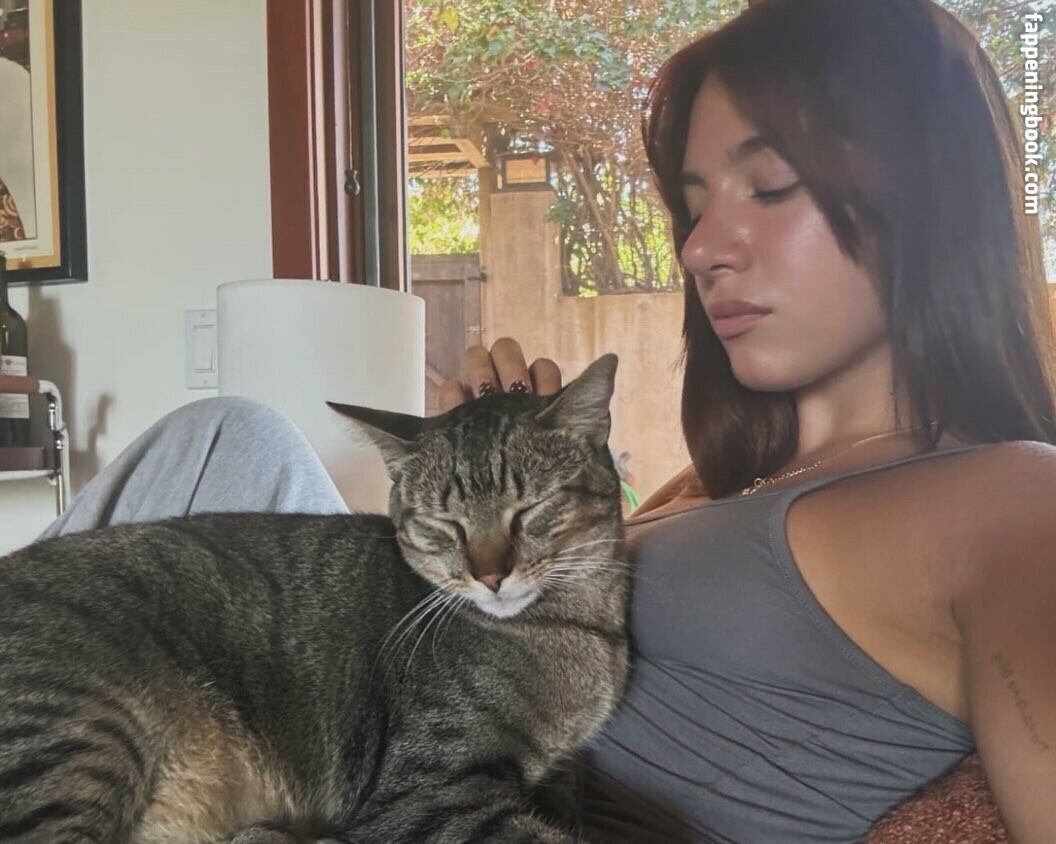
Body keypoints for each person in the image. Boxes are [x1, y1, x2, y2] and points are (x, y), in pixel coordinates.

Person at [33, 0, 1055, 841]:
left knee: (231, 443)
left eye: (771, 185)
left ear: (929, 195)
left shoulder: (1009, 500)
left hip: (442, 793)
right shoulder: (728, 476)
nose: (700, 248)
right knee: (228, 436)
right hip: (368, 721)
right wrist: (489, 462)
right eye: (695, 203)